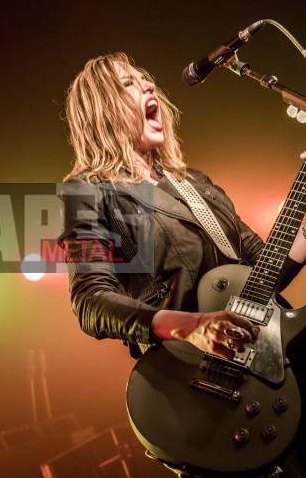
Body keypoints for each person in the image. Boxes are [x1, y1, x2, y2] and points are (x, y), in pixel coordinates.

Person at [58, 52, 306, 477]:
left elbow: (261, 271)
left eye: (146, 78)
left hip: (277, 362)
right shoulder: (89, 192)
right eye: (128, 85)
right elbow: (91, 299)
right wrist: (192, 327)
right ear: (100, 112)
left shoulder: (197, 184)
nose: (149, 86)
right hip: (203, 386)